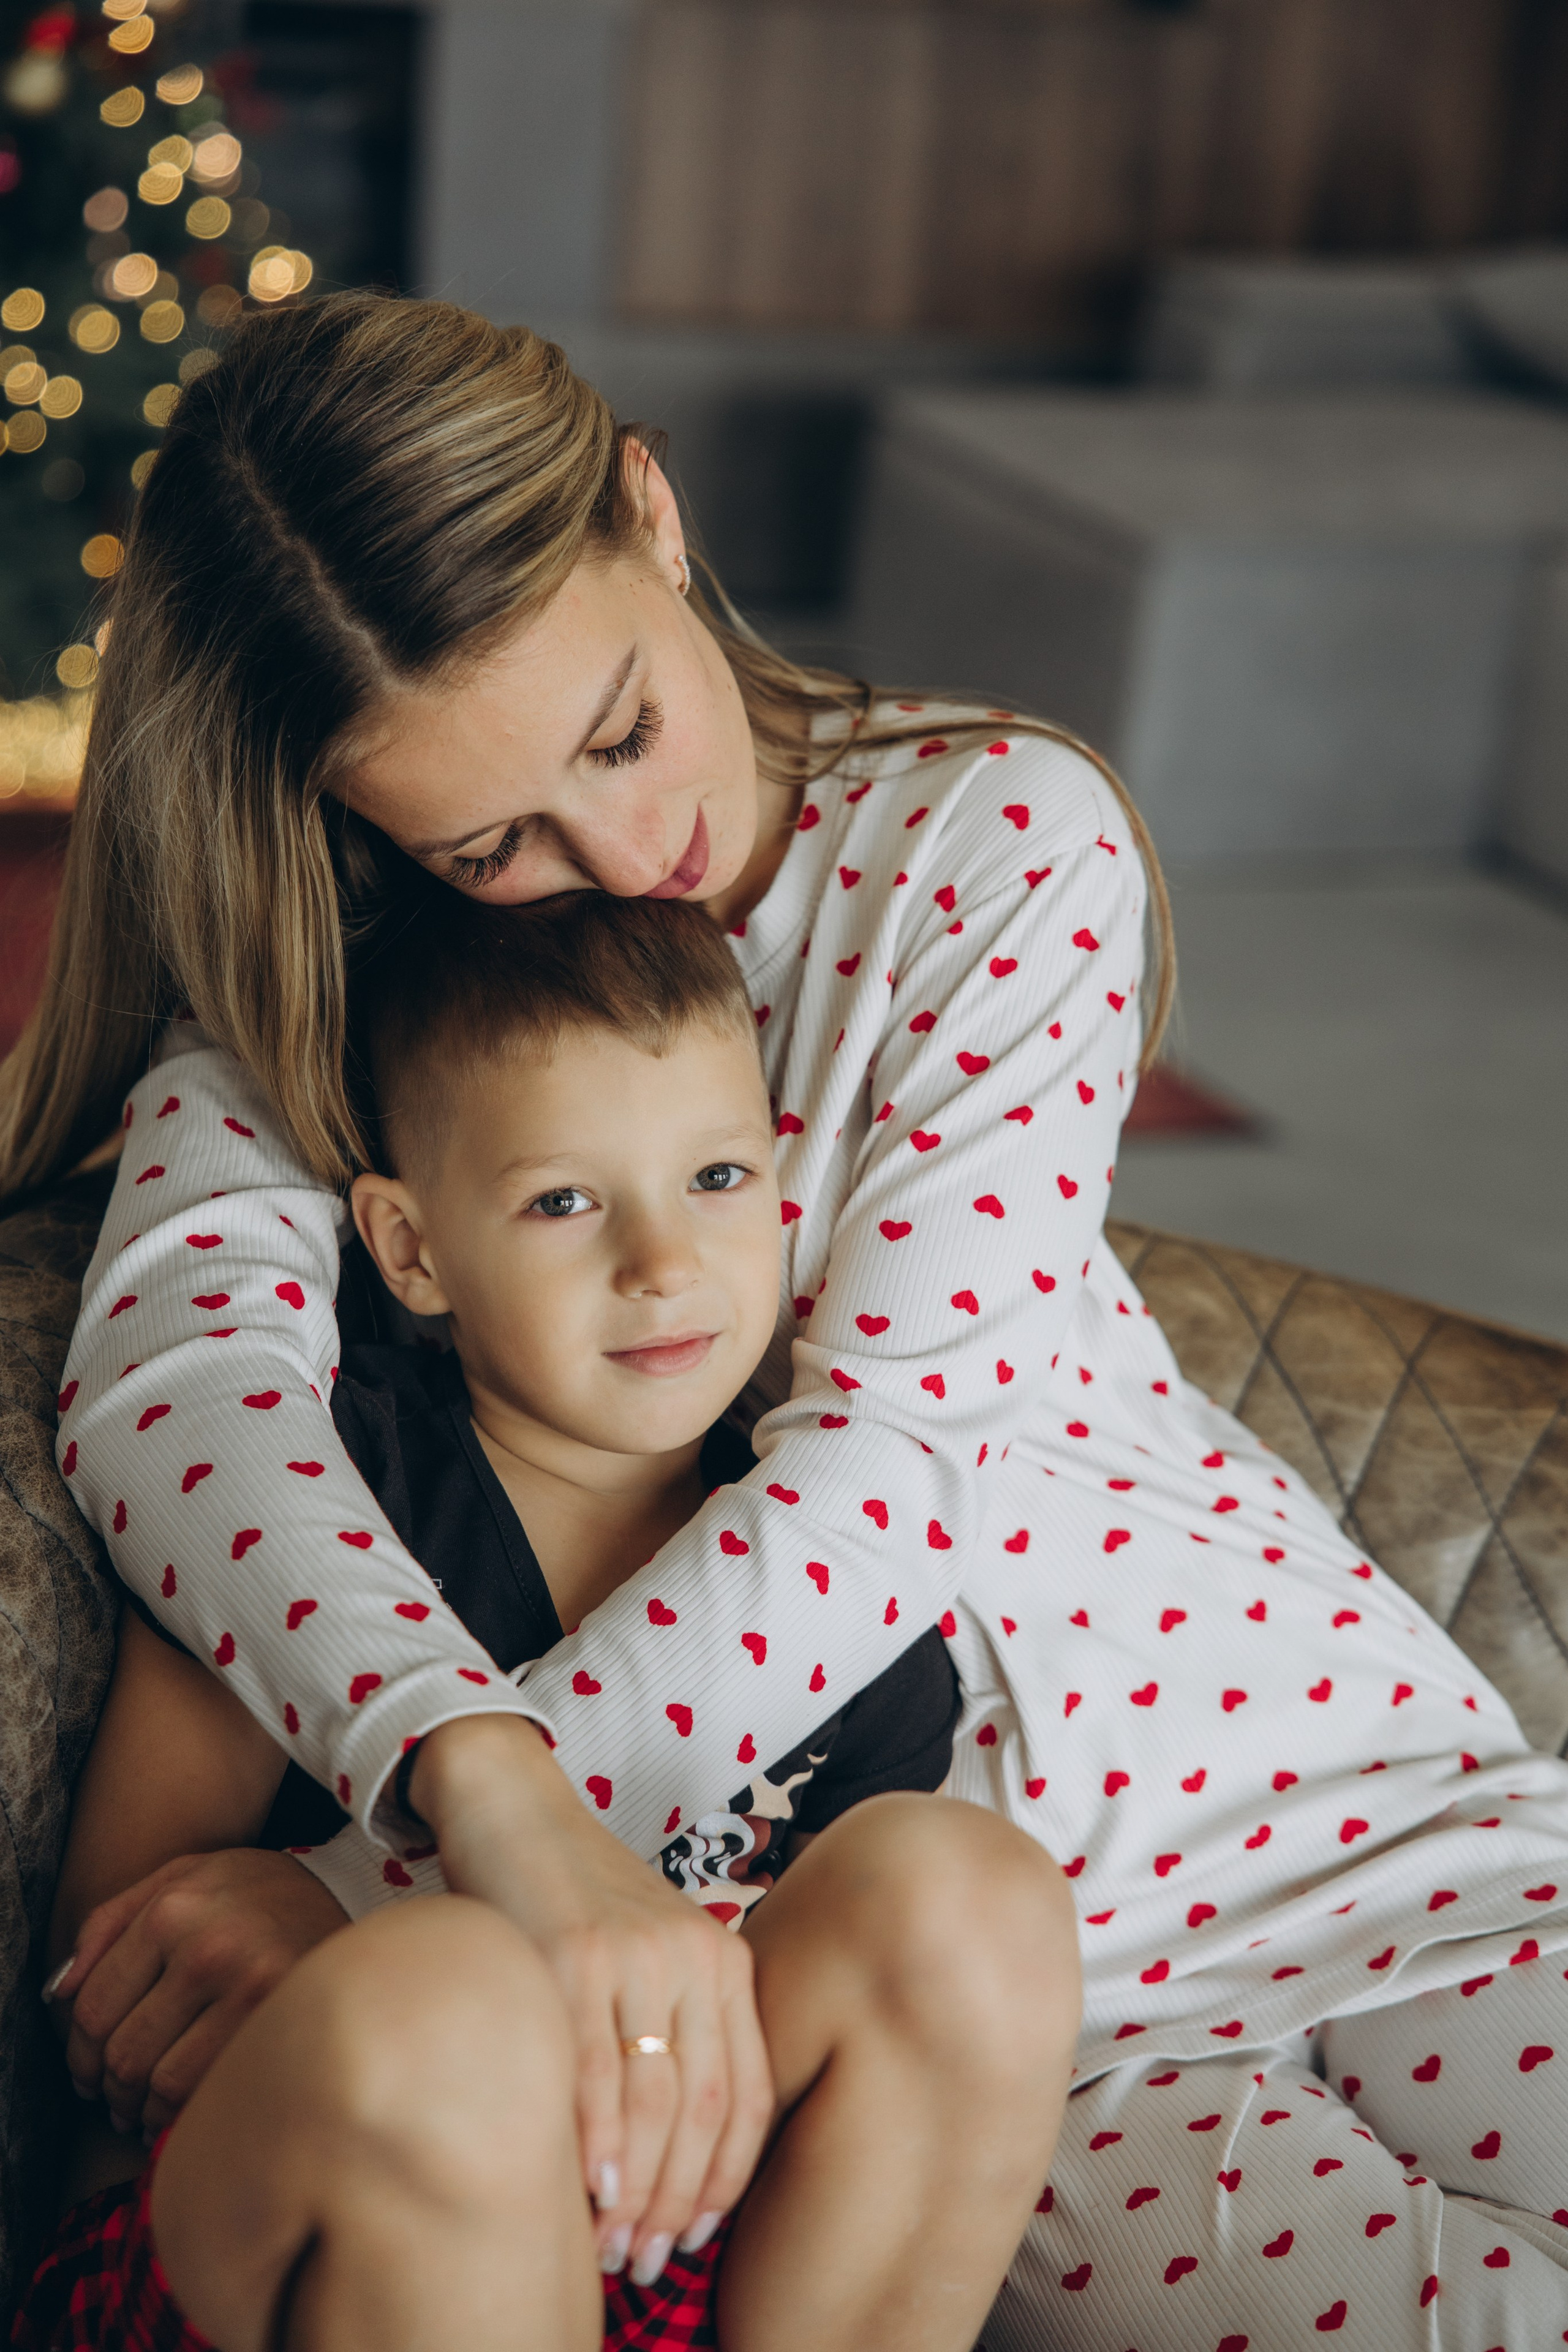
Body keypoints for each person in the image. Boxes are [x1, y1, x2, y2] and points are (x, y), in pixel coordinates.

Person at [5, 288, 1567, 2342]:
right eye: (492, 839)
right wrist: (469, 1815)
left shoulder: (983, 844)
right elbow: (180, 1402)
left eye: (622, 731)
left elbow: (886, 1482)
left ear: (651, 515)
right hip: (1012, 1988)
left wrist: (393, 1874)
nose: (625, 854)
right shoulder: (364, 988)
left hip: (1331, 1787)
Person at [20, 886, 1079, 2352]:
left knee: (971, 1890)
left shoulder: (843, 1606)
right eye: (563, 1201)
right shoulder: (323, 1505)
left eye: (714, 1178)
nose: (660, 1263)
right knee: (451, 1996)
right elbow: (123, 2000)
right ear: (411, 1251)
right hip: (271, 2250)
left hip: (665, 2263)